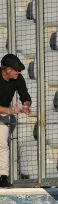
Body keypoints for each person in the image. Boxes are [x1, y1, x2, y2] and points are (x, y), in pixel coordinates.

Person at [0, 54, 31, 188]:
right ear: (8, 70)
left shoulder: (18, 78)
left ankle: (3, 177)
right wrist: (9, 111)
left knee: (2, 145)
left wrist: (26, 104)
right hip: (6, 112)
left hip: (4, 114)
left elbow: (25, 95)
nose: (19, 72)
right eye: (17, 70)